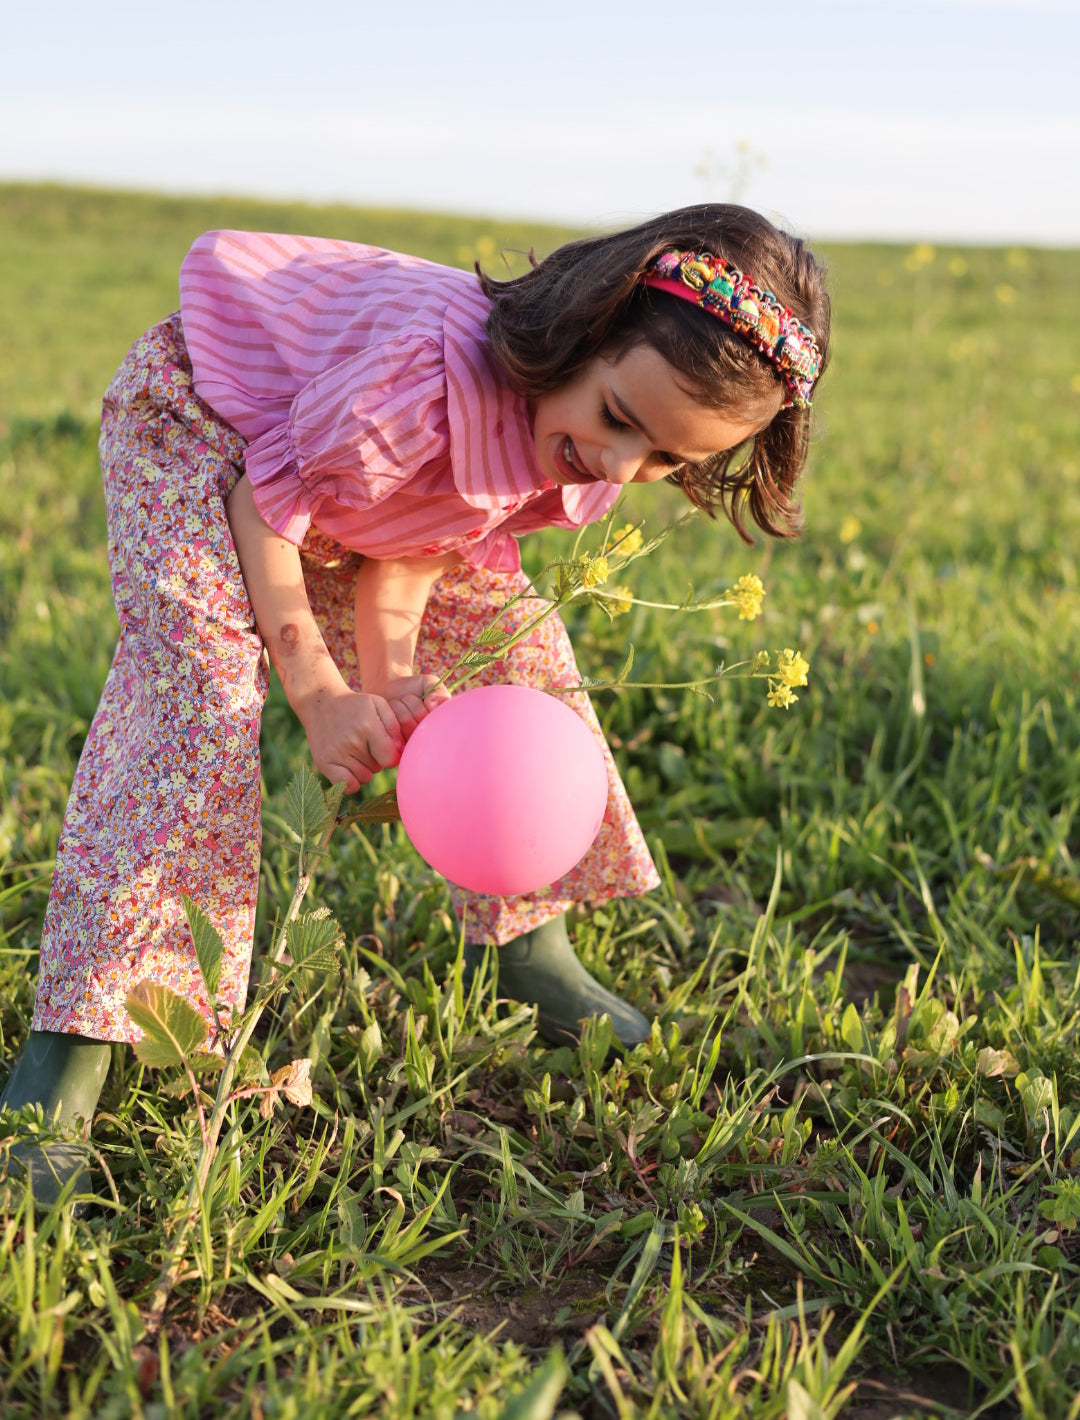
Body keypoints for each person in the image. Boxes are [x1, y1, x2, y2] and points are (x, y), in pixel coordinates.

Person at [0, 203, 830, 1204]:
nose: (621, 467)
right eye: (619, 421)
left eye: (665, 461)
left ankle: (531, 950)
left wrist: (393, 678)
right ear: (583, 332)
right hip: (210, 431)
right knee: (199, 700)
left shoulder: (587, 442)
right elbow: (266, 504)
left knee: (517, 655)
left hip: (343, 473)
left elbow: (420, 529)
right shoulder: (414, 387)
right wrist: (317, 690)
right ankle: (74, 1048)